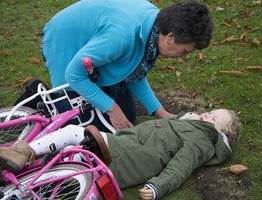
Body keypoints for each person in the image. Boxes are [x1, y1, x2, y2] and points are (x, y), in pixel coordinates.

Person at [40, 0, 213, 131]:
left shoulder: (155, 26)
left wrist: (158, 110)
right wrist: (112, 110)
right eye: (185, 51)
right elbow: (74, 74)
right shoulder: (122, 36)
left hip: (96, 47)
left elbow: (134, 69)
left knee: (128, 114)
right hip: (64, 44)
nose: (183, 57)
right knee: (85, 125)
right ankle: (39, 104)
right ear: (171, 37)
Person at [0, 108, 241, 199]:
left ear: (223, 133)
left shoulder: (202, 140)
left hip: (123, 155)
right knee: (70, 155)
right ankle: (27, 173)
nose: (208, 114)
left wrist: (158, 187)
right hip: (123, 146)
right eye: (211, 111)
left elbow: (181, 166)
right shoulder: (192, 126)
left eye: (215, 117)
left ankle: (21, 152)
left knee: (74, 132)